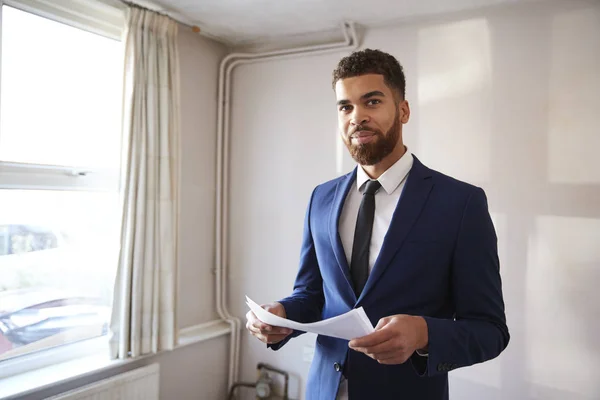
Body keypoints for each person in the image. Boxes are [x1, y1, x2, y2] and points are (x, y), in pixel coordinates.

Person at [246, 48, 509, 400]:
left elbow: (490, 330)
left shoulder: (460, 203)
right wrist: (281, 315)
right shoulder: (320, 199)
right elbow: (312, 295)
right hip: (324, 390)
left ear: (402, 111)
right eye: (346, 106)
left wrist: (423, 333)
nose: (357, 117)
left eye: (371, 102)